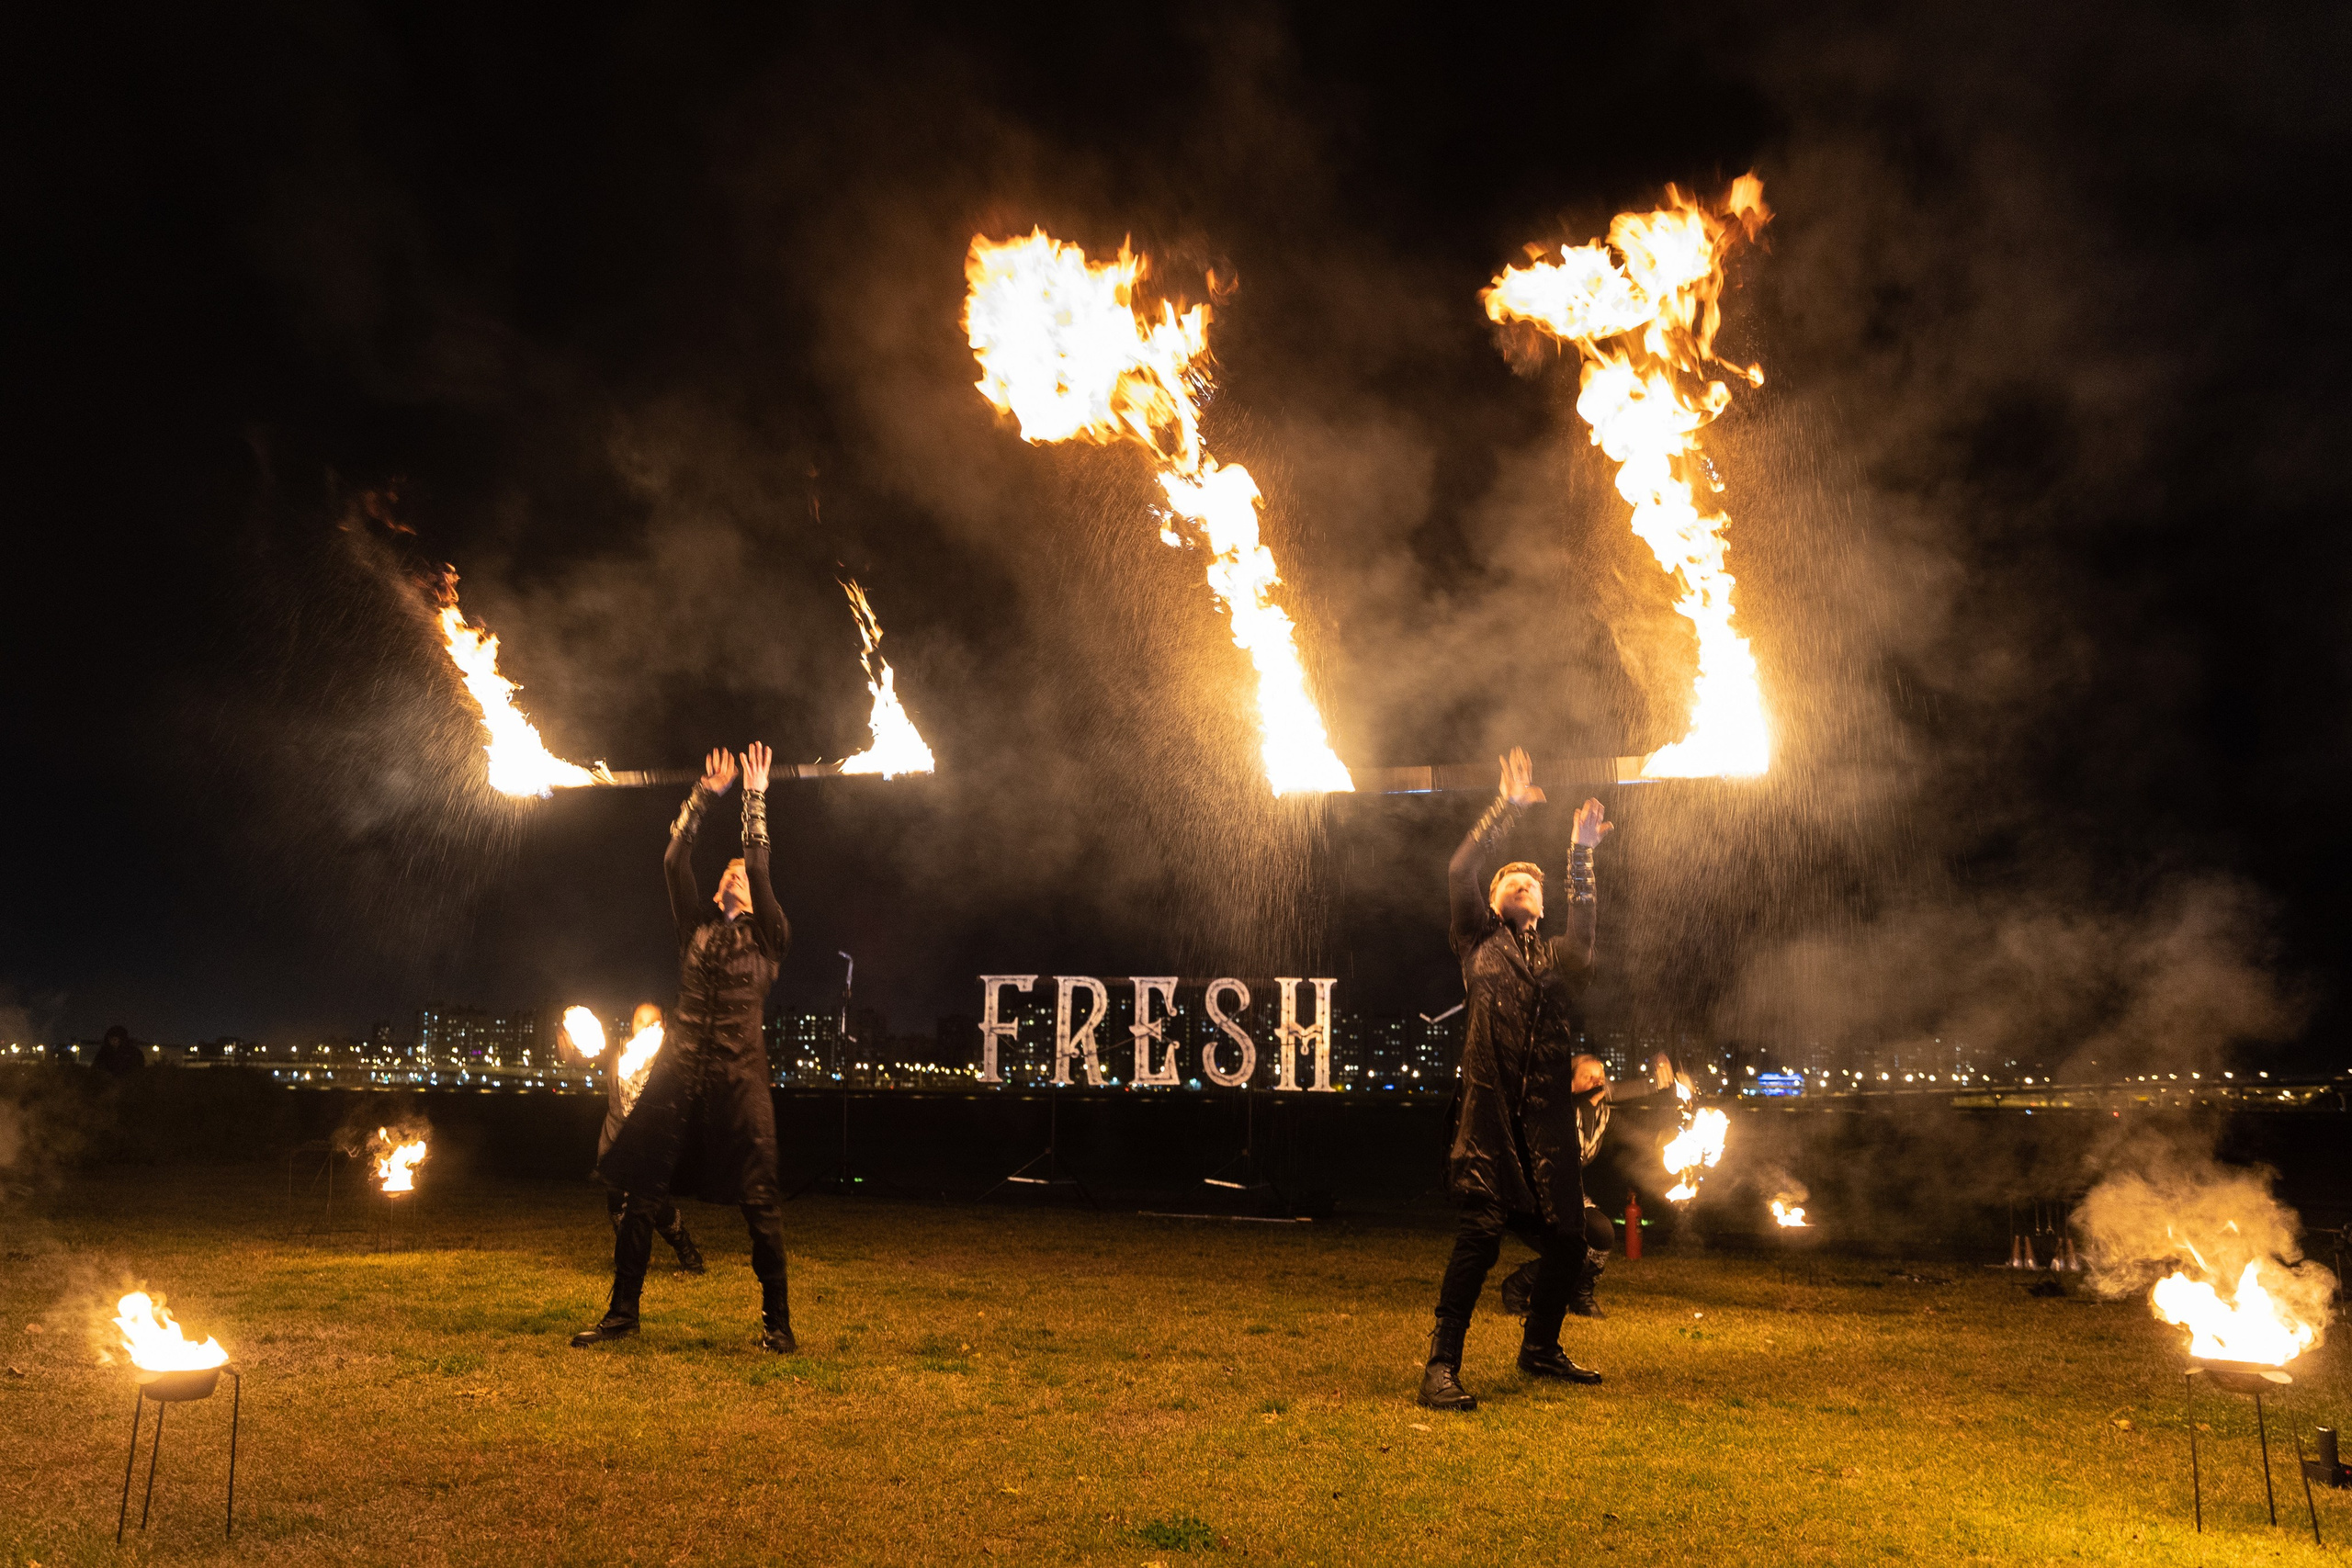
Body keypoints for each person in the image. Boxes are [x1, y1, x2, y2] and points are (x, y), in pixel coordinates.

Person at [572, 743, 796, 1353]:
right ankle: (622, 1312)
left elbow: (760, 862)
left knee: (759, 1200)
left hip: (739, 1076)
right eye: (725, 871)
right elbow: (674, 860)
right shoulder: (693, 928)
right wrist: (702, 797)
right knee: (643, 1192)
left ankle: (777, 1324)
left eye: (740, 874)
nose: (732, 874)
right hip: (679, 1071)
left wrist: (753, 795)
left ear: (753, 894)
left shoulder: (770, 937)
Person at [1419, 748, 1612, 1412]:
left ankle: (1539, 1347)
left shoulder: (1559, 958)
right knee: (1481, 1230)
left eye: (1534, 883)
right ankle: (1441, 1364)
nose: (1522, 884)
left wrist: (1579, 851)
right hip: (1490, 1111)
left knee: (1569, 1238)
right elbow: (1459, 866)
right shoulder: (1476, 941)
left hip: (1546, 1121)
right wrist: (1504, 807)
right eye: (1511, 881)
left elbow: (1585, 936)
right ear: (1495, 901)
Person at [1497, 1051, 1681, 1320]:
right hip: (1531, 1196)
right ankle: (1517, 1286)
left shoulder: (1604, 1115)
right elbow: (1600, 1095)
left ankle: (1581, 1297)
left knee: (1602, 1233)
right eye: (1589, 1077)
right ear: (1569, 1083)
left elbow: (1638, 1138)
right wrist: (1652, 1084)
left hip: (1566, 1195)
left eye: (1601, 1077)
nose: (1598, 1082)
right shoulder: (1554, 1108)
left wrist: (1675, 1146)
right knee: (1572, 1251)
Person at [594, 1002, 704, 1275]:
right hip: (616, 1137)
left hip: (649, 1142)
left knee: (656, 1207)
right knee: (616, 1204)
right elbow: (582, 1055)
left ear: (662, 1026)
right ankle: (629, 1260)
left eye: (650, 1020)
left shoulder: (668, 1059)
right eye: (638, 1019)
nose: (642, 1025)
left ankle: (688, 1253)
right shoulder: (618, 1050)